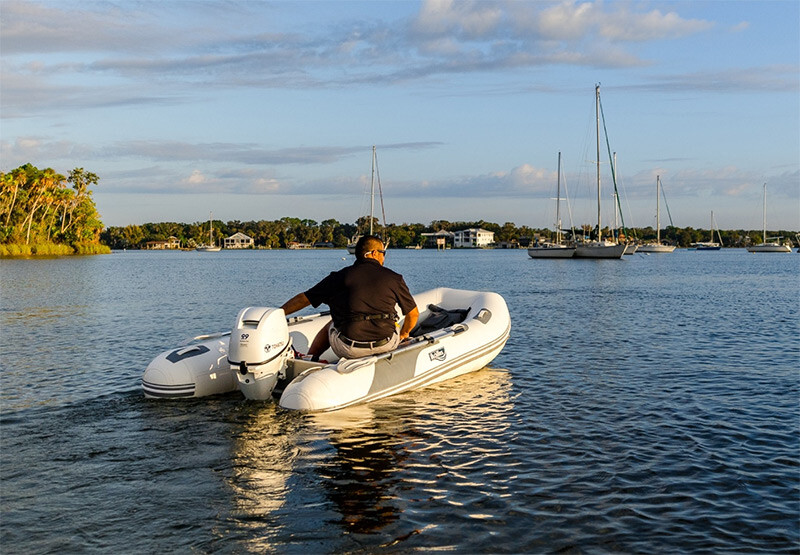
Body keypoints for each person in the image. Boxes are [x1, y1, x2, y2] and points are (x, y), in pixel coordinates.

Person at [281, 235, 419, 361]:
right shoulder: (394, 278)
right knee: (393, 325)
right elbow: (413, 314)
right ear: (374, 253)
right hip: (385, 344)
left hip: (350, 349)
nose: (384, 257)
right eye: (383, 253)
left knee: (331, 324)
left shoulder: (339, 277)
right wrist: (403, 334)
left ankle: (310, 358)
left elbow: (304, 299)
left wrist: (278, 313)